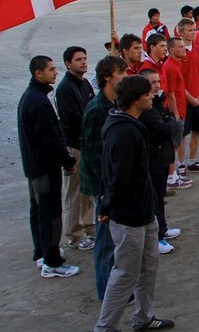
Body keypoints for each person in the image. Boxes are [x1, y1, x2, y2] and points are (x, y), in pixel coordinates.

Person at [93, 75, 175, 332]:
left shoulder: (129, 124)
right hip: (128, 214)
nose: (151, 96)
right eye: (146, 93)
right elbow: (118, 176)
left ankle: (143, 316)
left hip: (144, 210)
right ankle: (105, 328)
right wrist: (107, 206)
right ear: (134, 99)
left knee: (149, 267)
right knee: (125, 272)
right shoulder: (124, 130)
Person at [18, 55, 80, 279]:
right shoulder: (38, 101)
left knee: (38, 210)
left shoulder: (32, 96)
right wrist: (68, 161)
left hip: (35, 166)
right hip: (44, 167)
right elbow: (50, 138)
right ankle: (52, 261)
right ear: (38, 74)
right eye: (51, 69)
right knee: (50, 212)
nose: (55, 72)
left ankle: (41, 253)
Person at [80, 54, 128, 297]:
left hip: (115, 183)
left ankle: (115, 286)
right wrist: (107, 188)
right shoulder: (97, 110)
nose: (125, 77)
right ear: (107, 77)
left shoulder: (115, 105)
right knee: (105, 240)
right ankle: (105, 289)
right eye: (121, 74)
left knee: (117, 240)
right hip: (105, 187)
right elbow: (92, 154)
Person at [54, 46, 95, 251]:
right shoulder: (64, 89)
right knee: (74, 192)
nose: (83, 62)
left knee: (87, 189)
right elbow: (73, 119)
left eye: (85, 58)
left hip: (87, 144)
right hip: (74, 146)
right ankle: (74, 234)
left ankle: (88, 225)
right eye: (79, 59)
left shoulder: (85, 83)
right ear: (68, 64)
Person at [137, 68, 179, 254]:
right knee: (154, 199)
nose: (156, 85)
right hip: (154, 158)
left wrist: (169, 119)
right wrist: (170, 120)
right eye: (152, 82)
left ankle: (162, 229)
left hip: (162, 157)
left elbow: (168, 122)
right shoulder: (147, 108)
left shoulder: (157, 102)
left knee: (159, 197)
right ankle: (157, 237)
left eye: (157, 81)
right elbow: (165, 127)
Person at [177, 19, 199, 175]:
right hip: (185, 100)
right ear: (181, 32)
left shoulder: (197, 49)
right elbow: (179, 81)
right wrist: (190, 98)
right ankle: (181, 163)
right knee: (183, 133)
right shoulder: (179, 52)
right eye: (189, 30)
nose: (193, 33)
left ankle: (192, 160)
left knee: (197, 130)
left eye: (194, 29)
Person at [161, 37, 193, 190]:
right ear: (171, 50)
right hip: (176, 112)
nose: (184, 49)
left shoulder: (176, 65)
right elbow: (170, 94)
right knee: (174, 145)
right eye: (180, 47)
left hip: (180, 109)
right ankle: (171, 176)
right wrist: (176, 115)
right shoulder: (171, 67)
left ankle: (173, 175)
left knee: (177, 142)